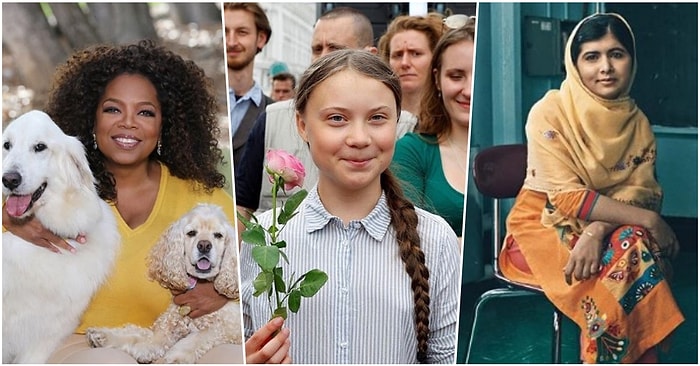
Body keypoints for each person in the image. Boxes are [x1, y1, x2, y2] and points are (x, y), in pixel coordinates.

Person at [2, 40, 241, 363]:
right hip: (82, 345)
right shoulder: (56, 187)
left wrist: (225, 291)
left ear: (164, 124)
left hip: (176, 343)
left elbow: (255, 268)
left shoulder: (205, 201)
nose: (128, 122)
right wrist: (9, 220)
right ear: (91, 116)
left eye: (145, 112)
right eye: (113, 109)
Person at [241, 49, 460, 364]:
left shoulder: (435, 238)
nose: (359, 138)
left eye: (377, 118)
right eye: (337, 119)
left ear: (396, 122)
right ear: (302, 125)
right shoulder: (264, 237)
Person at [500, 13, 684, 363]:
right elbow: (568, 197)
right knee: (631, 254)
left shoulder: (638, 122)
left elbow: (640, 193)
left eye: (617, 54)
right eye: (592, 56)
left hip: (609, 228)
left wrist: (597, 229)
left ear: (632, 61)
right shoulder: (550, 111)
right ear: (574, 62)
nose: (606, 68)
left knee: (630, 245)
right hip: (541, 226)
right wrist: (651, 221)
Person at [235, 7, 385, 237]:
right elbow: (242, 208)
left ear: (369, 55)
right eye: (317, 49)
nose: (322, 58)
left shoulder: (398, 130)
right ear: (302, 126)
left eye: (335, 49)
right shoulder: (272, 118)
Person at [391, 18, 475, 239]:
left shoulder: (521, 144)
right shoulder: (411, 151)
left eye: (478, 75)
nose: (468, 90)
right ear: (437, 79)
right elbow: (407, 240)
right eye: (456, 76)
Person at [378, 13, 445, 136]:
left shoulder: (451, 121)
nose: (405, 63)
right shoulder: (375, 117)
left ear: (436, 58)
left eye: (415, 54)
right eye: (397, 55)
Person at [224, 2, 273, 166]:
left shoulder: (273, 114)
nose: (231, 42)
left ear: (260, 39)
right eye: (225, 32)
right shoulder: (197, 99)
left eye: (242, 32)